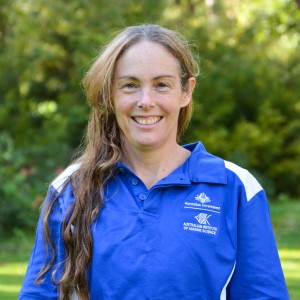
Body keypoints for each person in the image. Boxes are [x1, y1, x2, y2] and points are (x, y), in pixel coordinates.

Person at [19, 24, 289, 300]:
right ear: (110, 95)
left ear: (186, 91)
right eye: (130, 85)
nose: (146, 101)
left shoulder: (236, 188)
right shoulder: (71, 188)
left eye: (161, 85)